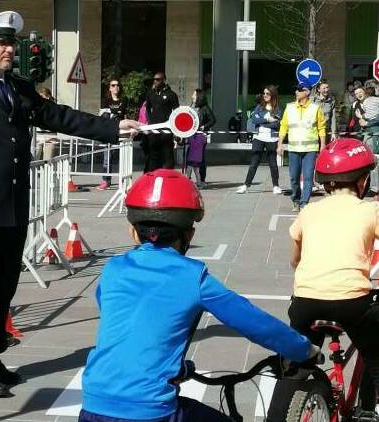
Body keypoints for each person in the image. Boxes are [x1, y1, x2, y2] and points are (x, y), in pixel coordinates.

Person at [0, 10, 140, 398]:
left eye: (13, 43)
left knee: (4, 285)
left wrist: (112, 127)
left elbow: (59, 117)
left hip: (12, 202)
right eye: (2, 43)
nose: (10, 50)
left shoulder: (18, 88)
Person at [80, 169, 320, 422]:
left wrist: (178, 367)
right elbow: (255, 323)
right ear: (189, 235)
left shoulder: (112, 269)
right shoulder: (193, 277)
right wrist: (303, 349)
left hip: (93, 405)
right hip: (150, 411)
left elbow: (128, 325)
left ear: (133, 231)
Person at [268, 139, 379, 421]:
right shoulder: (370, 210)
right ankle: (368, 409)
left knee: (295, 364)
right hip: (352, 302)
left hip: (306, 302)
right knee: (376, 354)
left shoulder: (309, 211)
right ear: (363, 180)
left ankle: (277, 415)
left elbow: (295, 260)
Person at [277, 82, 326, 212]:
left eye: (300, 90)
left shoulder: (315, 108)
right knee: (294, 177)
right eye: (296, 89)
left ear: (308, 92)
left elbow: (321, 127)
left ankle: (304, 203)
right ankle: (296, 199)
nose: (296, 92)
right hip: (294, 149)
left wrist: (323, 145)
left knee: (308, 177)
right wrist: (280, 143)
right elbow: (283, 126)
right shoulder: (290, 107)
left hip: (310, 150)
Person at [236, 85, 282, 195]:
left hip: (271, 138)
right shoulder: (259, 106)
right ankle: (246, 185)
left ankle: (276, 186)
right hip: (258, 137)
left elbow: (276, 123)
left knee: (273, 163)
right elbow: (254, 120)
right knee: (254, 162)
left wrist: (263, 123)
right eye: (264, 93)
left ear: (273, 95)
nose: (265, 95)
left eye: (267, 94)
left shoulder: (278, 109)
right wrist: (267, 119)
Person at [143, 72, 179, 172]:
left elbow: (177, 112)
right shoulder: (150, 93)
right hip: (153, 129)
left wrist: (175, 130)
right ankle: (151, 177)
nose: (155, 81)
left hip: (166, 130)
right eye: (154, 79)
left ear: (163, 80)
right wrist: (150, 123)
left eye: (158, 79)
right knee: (153, 155)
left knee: (167, 155)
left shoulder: (171, 94)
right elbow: (147, 108)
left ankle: (168, 178)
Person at [97, 78, 127, 190]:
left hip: (120, 130)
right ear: (109, 88)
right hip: (108, 130)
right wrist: (114, 113)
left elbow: (122, 114)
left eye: (117, 85)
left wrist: (112, 113)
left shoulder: (123, 100)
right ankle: (106, 180)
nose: (116, 87)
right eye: (113, 85)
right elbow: (103, 114)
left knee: (123, 156)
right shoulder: (105, 101)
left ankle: (124, 179)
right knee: (107, 157)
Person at [190, 89, 216, 185]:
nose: (192, 96)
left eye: (194, 94)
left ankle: (202, 179)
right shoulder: (191, 107)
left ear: (199, 97)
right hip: (191, 136)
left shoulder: (205, 108)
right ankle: (190, 178)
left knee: (200, 158)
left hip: (200, 136)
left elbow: (213, 120)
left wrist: (204, 126)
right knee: (191, 158)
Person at [311, 79, 338, 143]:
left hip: (326, 131)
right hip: (314, 131)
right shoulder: (313, 100)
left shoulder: (332, 100)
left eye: (327, 87)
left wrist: (333, 132)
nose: (326, 90)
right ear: (319, 89)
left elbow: (333, 117)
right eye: (324, 88)